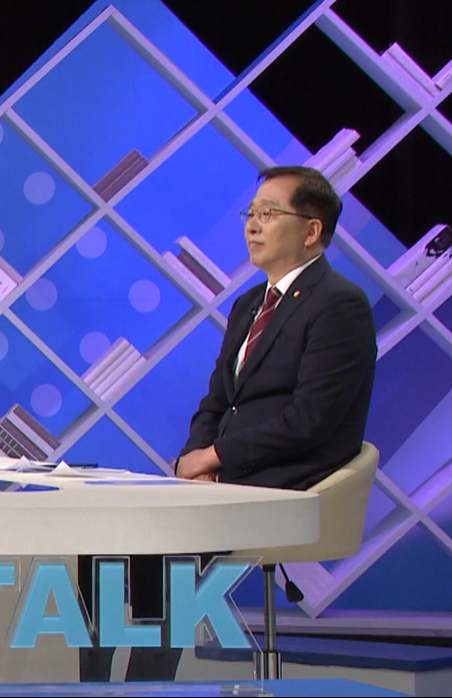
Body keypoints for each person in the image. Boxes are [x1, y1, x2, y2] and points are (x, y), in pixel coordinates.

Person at [79, 165, 377, 682]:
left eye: (269, 213)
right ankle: (94, 686)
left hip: (290, 479)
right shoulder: (248, 305)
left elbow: (310, 421)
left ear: (312, 230)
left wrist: (217, 458)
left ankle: (148, 685)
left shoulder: (340, 305)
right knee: (102, 539)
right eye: (251, 213)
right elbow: (216, 400)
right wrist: (193, 461)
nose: (253, 225)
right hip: (228, 475)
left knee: (168, 544)